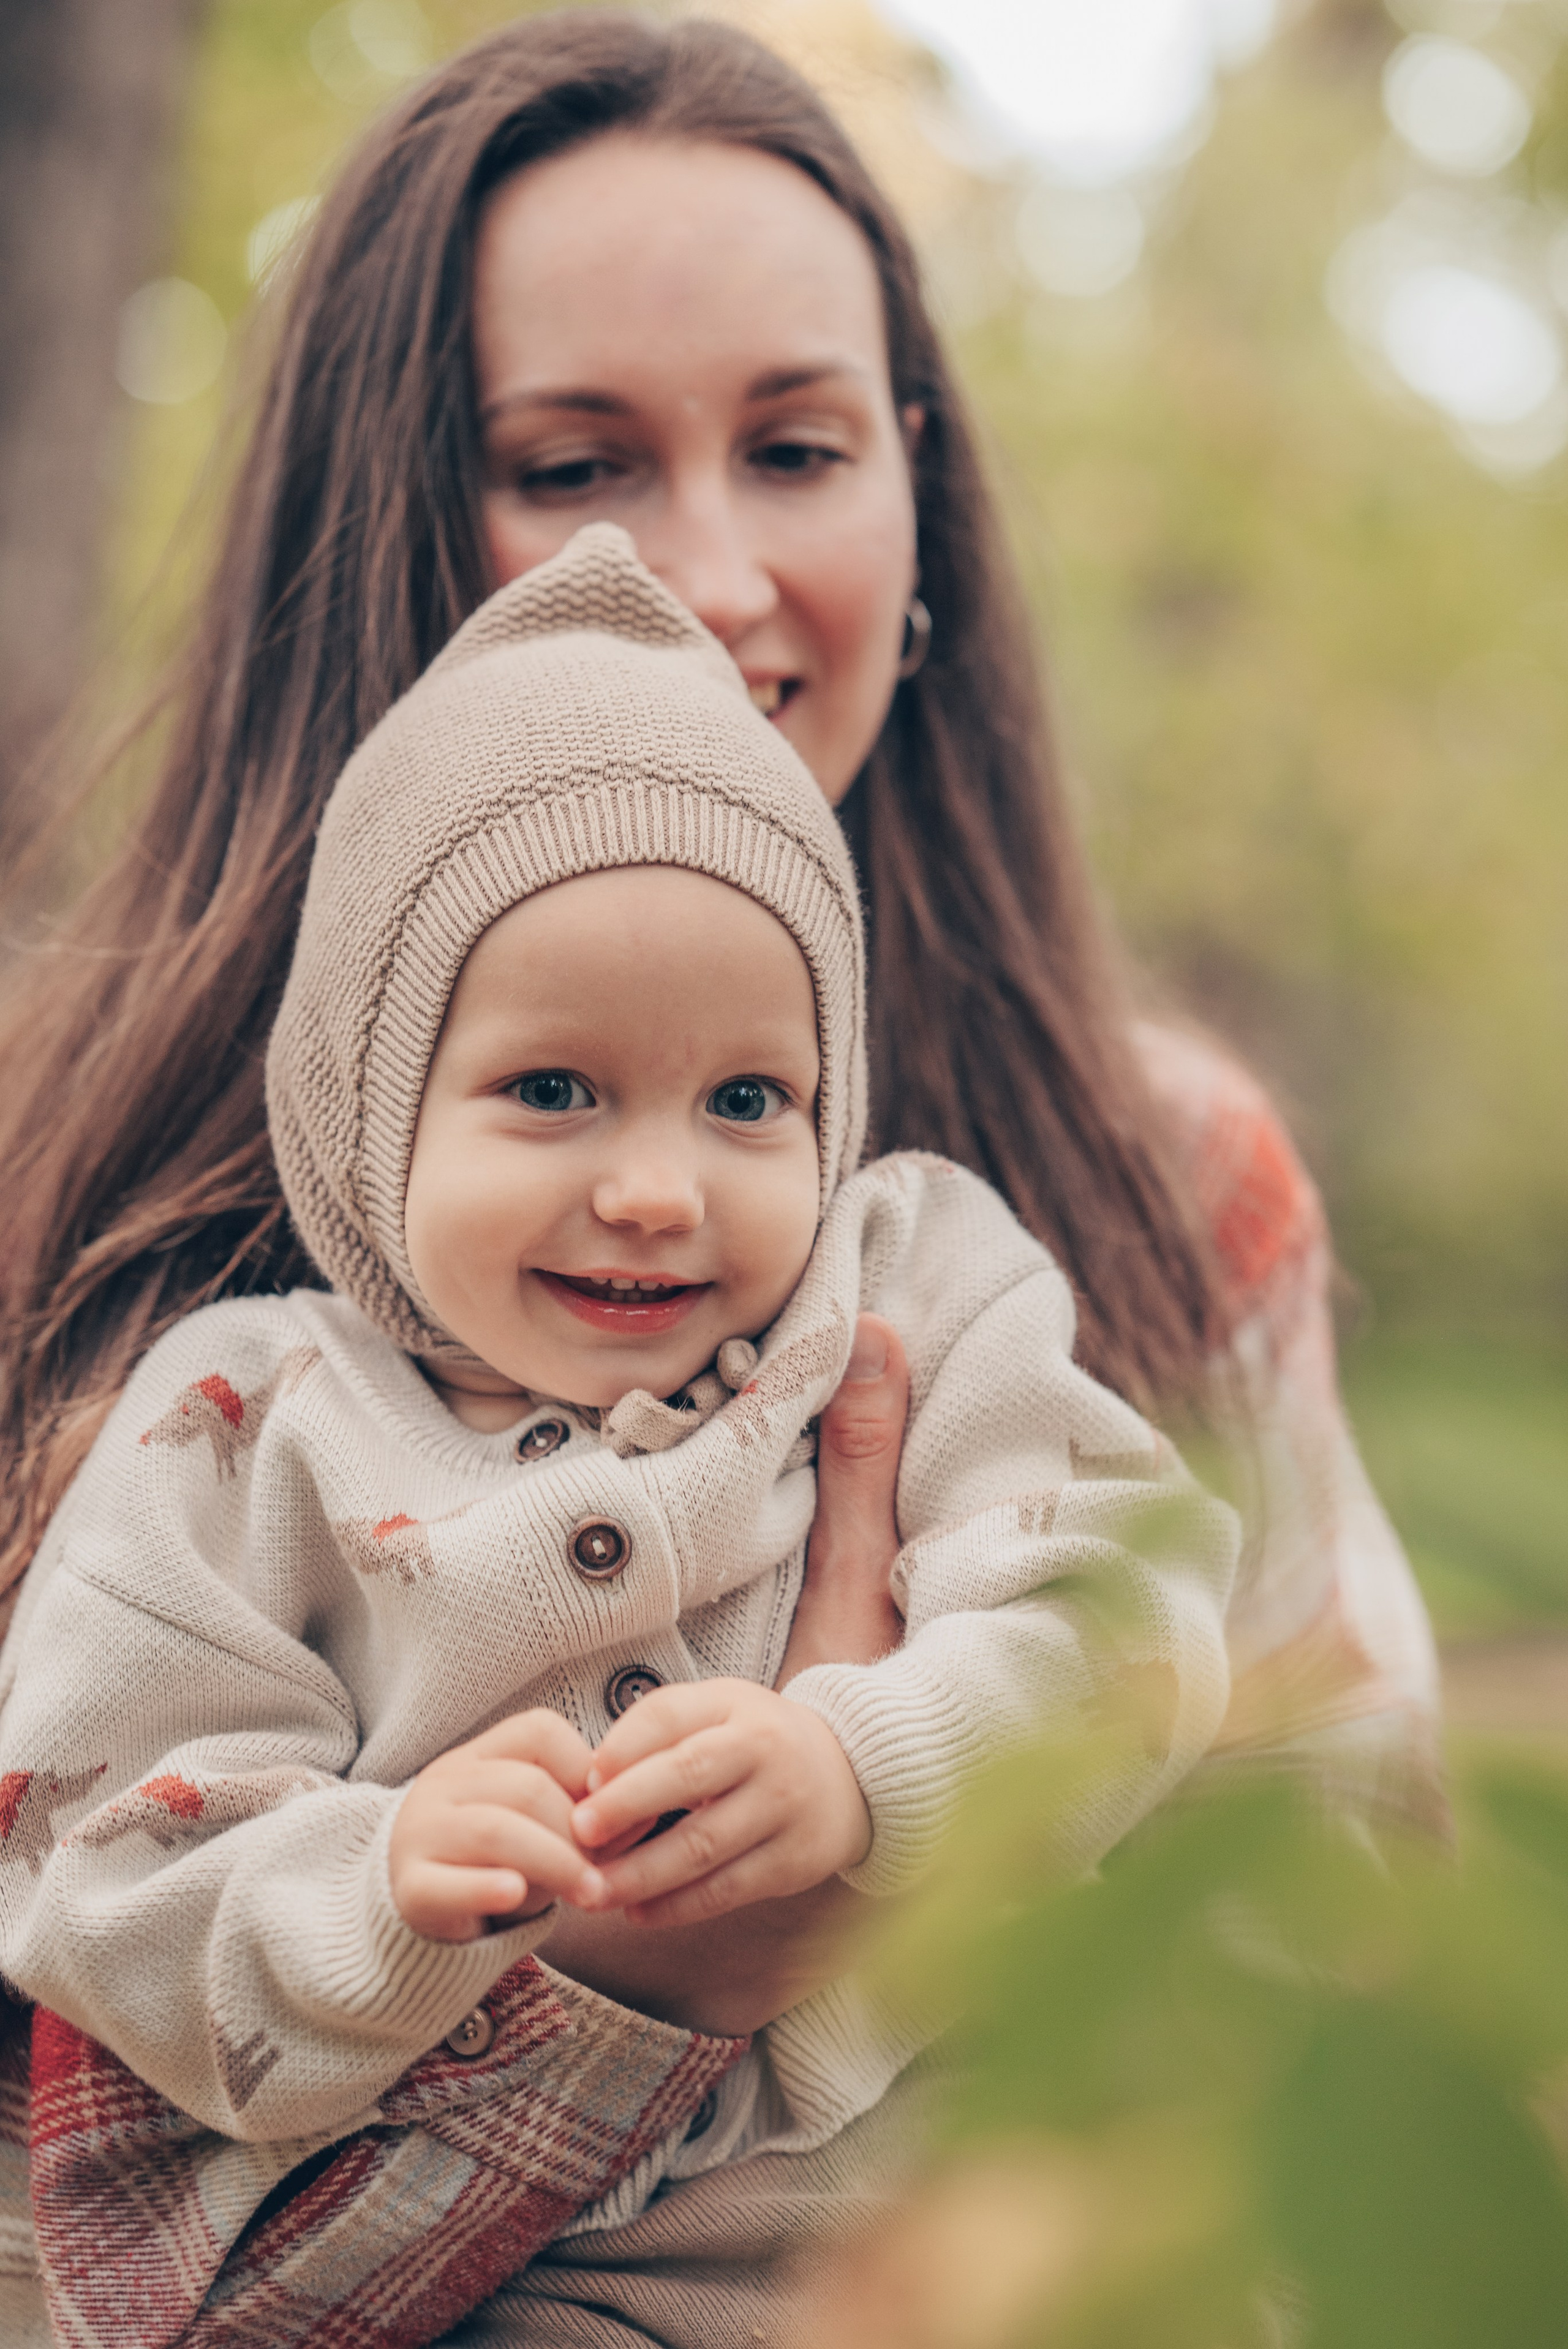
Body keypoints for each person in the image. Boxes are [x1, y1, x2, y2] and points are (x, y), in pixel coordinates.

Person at [0, 12, 1438, 2342]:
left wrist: (915, 1779)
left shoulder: (1148, 1186)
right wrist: (631, 1985)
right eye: (573, 465)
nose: (699, 575)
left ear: (918, 499)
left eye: (797, 446)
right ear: (384, 530)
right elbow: (73, 2220)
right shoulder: (144, 1309)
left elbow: (1338, 1979)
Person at [0, 522, 1238, 2340]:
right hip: (510, 2265)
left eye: (746, 1097)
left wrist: (868, 1758)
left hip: (949, 2205)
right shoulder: (242, 1423)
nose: (657, 1189)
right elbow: (90, 1854)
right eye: (553, 1088)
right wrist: (375, 1885)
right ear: (372, 1101)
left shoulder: (915, 1288)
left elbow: (1131, 1611)